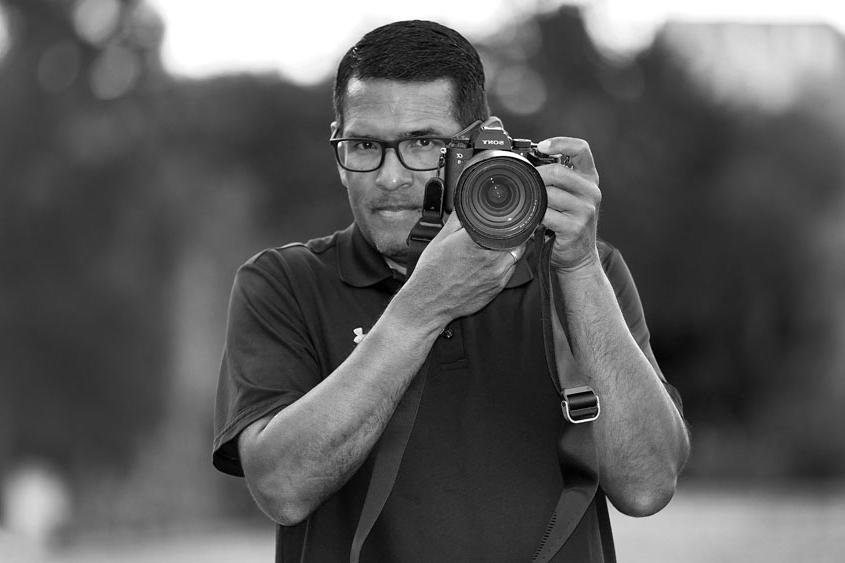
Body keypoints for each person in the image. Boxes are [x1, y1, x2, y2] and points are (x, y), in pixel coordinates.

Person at [212, 19, 689, 562]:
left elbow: (648, 486)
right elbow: (282, 489)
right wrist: (422, 307)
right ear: (337, 150)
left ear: (477, 146)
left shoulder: (581, 269)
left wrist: (577, 267)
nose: (390, 177)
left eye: (422, 142)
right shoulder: (282, 283)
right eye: (365, 144)